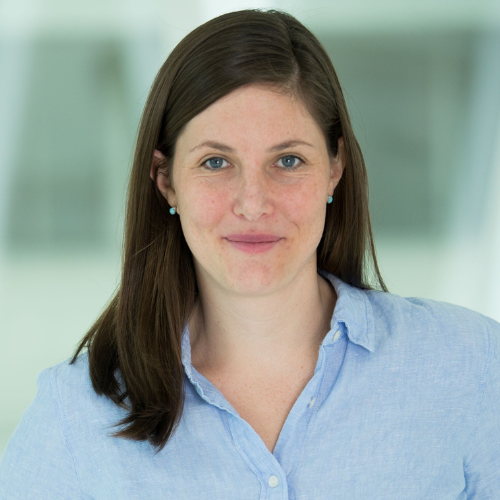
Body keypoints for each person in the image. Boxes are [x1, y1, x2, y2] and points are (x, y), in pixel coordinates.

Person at [1, 8, 499, 499]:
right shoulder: (75, 419)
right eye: (215, 162)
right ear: (166, 181)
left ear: (334, 167)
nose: (253, 202)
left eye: (288, 160)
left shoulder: (471, 368)